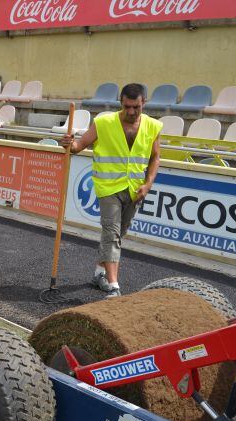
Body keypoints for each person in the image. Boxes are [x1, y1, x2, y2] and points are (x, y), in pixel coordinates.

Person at [61, 83, 162, 297]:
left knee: (119, 233)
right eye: (127, 106)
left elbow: (155, 157)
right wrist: (70, 144)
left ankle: (100, 273)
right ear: (121, 103)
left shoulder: (153, 126)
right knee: (111, 233)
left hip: (134, 190)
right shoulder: (104, 122)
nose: (131, 111)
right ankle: (114, 287)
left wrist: (148, 184)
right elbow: (79, 147)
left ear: (144, 102)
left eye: (136, 107)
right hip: (108, 189)